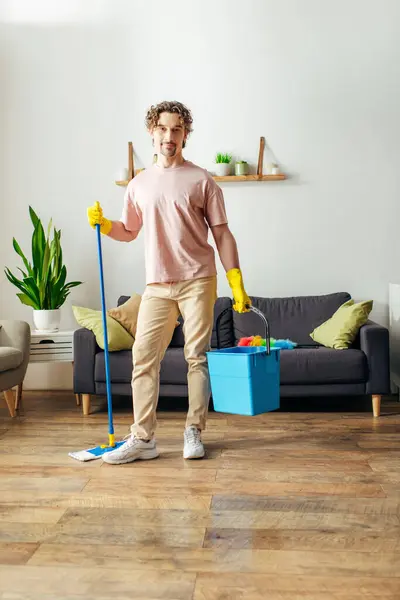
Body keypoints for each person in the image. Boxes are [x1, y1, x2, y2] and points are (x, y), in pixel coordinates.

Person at [87, 100, 251, 465]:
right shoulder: (139, 184)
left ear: (186, 135)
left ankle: (194, 430)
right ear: (152, 132)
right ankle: (143, 438)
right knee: (143, 357)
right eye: (162, 128)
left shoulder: (202, 180)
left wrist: (235, 280)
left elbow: (222, 234)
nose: (169, 136)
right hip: (157, 285)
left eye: (177, 129)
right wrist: (105, 225)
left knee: (196, 357)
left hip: (198, 279)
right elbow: (130, 231)